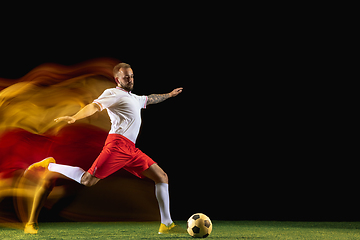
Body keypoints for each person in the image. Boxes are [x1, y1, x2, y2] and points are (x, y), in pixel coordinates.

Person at [24, 63, 183, 234]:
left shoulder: (135, 98)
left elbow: (151, 98)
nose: (130, 80)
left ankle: (166, 224)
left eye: (132, 76)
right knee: (87, 180)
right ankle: (49, 165)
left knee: (161, 176)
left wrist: (169, 95)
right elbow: (94, 106)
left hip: (131, 149)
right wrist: (75, 118)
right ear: (117, 79)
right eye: (126, 77)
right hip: (117, 146)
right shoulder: (112, 93)